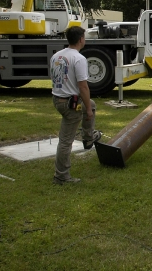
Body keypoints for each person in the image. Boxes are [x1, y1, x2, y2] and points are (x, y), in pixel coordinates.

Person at [50, 26, 101, 185]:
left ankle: (88, 138)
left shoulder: (57, 56)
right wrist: (88, 112)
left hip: (58, 99)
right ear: (81, 39)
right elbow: (83, 87)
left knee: (91, 105)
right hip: (69, 104)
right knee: (66, 141)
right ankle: (61, 176)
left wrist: (87, 107)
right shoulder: (79, 59)